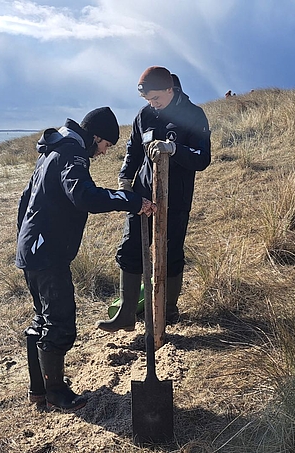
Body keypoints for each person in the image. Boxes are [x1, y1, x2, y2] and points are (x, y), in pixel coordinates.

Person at [16, 107, 156, 411]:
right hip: (47, 252)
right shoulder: (72, 154)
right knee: (60, 323)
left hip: (33, 249)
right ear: (95, 137)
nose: (103, 153)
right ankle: (55, 392)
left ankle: (37, 390)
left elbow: (25, 198)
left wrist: (25, 242)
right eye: (105, 145)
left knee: (43, 318)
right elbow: (85, 197)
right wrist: (131, 201)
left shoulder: (53, 150)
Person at [96, 66, 211, 332]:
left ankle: (167, 311)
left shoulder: (193, 115)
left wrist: (175, 149)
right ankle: (126, 313)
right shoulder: (145, 115)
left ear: (171, 89)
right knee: (130, 249)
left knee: (170, 253)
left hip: (176, 197)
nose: (153, 103)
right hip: (143, 195)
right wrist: (125, 177)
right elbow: (133, 149)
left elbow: (203, 158)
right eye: (148, 99)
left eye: (156, 97)